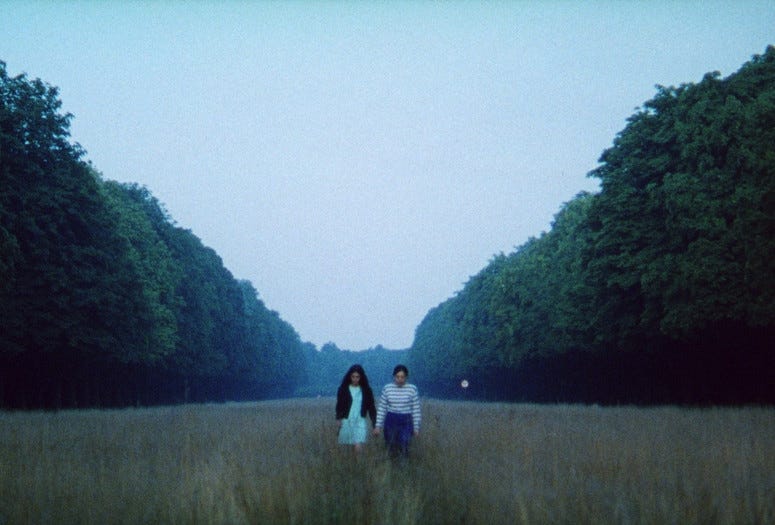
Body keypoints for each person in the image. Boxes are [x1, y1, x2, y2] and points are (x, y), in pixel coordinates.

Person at [373, 364, 421, 459]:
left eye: (402, 377)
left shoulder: (412, 389)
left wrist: (416, 428)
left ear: (406, 377)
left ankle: (404, 469)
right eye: (397, 377)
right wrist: (378, 426)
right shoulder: (387, 388)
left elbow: (416, 410)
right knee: (391, 445)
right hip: (391, 419)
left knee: (404, 444)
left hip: (406, 420)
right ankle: (391, 469)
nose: (400, 379)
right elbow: (382, 408)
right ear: (394, 377)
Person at [335, 364, 376, 453]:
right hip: (347, 420)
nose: (355, 379)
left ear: (361, 377)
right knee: (348, 448)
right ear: (349, 376)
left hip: (360, 420)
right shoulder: (343, 389)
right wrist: (338, 418)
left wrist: (374, 424)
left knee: (357, 445)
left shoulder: (367, 390)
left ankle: (359, 465)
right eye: (353, 377)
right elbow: (339, 405)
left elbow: (371, 407)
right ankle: (350, 465)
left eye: (357, 377)